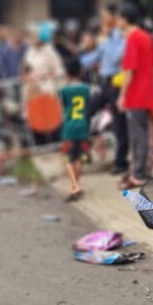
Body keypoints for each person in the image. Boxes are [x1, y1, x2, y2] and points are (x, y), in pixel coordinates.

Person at [116, 2, 153, 190]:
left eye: (119, 17)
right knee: (145, 133)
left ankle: (138, 174)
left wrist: (122, 95)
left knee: (137, 135)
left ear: (125, 19)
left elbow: (130, 69)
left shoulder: (133, 38)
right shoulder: (146, 37)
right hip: (147, 91)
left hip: (136, 94)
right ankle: (144, 170)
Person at [95, 4, 129, 175]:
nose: (102, 20)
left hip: (116, 82)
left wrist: (107, 39)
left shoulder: (119, 35)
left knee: (119, 123)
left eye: (105, 16)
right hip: (104, 83)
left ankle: (121, 161)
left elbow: (116, 57)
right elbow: (96, 56)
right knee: (89, 110)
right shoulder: (105, 37)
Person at [60, 58, 91, 201]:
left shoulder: (64, 90)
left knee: (69, 157)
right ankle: (77, 184)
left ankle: (74, 185)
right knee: (78, 156)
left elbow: (62, 105)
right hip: (83, 124)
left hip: (70, 126)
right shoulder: (85, 88)